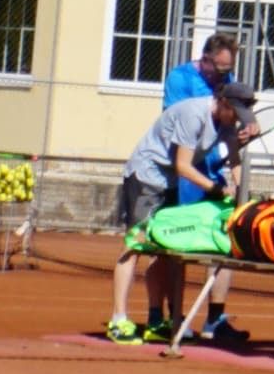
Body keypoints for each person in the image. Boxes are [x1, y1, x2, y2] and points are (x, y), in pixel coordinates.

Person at [106, 31, 248, 344]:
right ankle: (118, 319)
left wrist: (242, 190)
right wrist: (215, 188)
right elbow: (184, 163)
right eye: (235, 114)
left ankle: (159, 320)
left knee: (168, 248)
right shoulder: (191, 109)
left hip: (173, 178)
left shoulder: (224, 116)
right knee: (137, 243)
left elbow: (234, 155)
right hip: (147, 175)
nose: (235, 121)